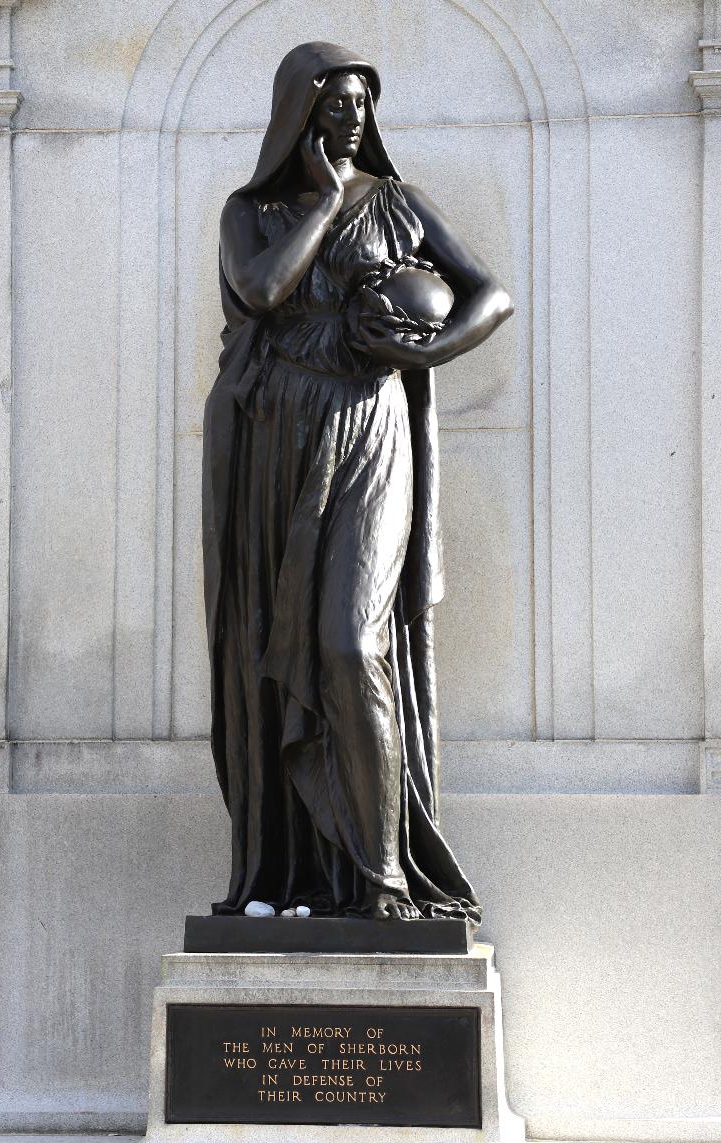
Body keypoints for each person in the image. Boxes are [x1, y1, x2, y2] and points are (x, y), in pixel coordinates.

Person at [203, 42, 513, 922]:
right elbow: (262, 291)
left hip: (373, 431)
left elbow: (490, 293)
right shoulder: (251, 212)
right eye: (335, 105)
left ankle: (383, 877)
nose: (352, 121)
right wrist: (328, 200)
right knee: (282, 654)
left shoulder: (401, 203)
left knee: (347, 638)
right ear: (297, 113)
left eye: (361, 106)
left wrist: (430, 348)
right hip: (277, 447)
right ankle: (307, 876)